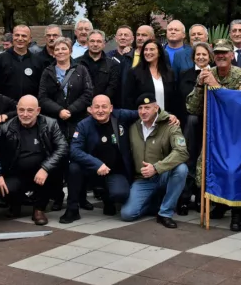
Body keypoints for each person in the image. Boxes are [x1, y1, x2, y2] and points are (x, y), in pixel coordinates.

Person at [186, 39, 241, 230]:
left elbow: (240, 105)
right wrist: (200, 86)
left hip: (237, 134)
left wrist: (215, 86)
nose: (221, 56)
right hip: (214, 133)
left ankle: (237, 213)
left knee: (234, 170)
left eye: (225, 53)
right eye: (217, 53)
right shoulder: (208, 73)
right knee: (205, 172)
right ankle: (220, 203)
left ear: (232, 55)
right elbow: (192, 108)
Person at [0, 95, 67, 226]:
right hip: (16, 172)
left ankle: (39, 209)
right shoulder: (6, 127)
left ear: (38, 111)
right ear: (17, 109)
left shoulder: (51, 124)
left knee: (55, 170)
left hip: (42, 172)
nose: (25, 114)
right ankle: (16, 204)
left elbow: (63, 147)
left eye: (30, 110)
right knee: (3, 189)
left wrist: (46, 168)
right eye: (21, 110)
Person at [38, 37, 93, 210]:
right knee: (58, 160)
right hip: (56, 122)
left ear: (70, 50)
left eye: (64, 48)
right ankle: (57, 197)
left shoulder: (81, 69)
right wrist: (59, 111)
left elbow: (88, 93)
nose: (60, 52)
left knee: (78, 158)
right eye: (57, 49)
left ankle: (81, 197)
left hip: (78, 120)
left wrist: (71, 110)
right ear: (53, 52)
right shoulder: (48, 72)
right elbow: (43, 97)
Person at [119, 94, 189, 228]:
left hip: (163, 175)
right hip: (142, 179)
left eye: (147, 107)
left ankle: (165, 213)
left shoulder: (170, 125)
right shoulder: (133, 127)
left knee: (182, 169)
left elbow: (182, 152)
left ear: (156, 108)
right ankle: (155, 203)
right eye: (140, 108)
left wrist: (156, 168)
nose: (143, 111)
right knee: (127, 214)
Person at [64, 95, 135, 223]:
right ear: (90, 109)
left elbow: (145, 112)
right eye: (96, 107)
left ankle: (108, 198)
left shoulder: (120, 116)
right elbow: (74, 150)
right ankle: (72, 209)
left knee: (120, 194)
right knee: (73, 168)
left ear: (111, 108)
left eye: (104, 107)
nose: (100, 110)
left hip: (115, 170)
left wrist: (167, 115)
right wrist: (96, 164)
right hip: (91, 170)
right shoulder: (83, 125)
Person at [177, 42, 213, 211]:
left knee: (205, 161)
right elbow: (182, 100)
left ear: (210, 56)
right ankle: (184, 197)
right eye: (197, 55)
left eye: (204, 54)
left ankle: (201, 197)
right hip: (190, 126)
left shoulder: (217, 74)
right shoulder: (185, 74)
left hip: (211, 127)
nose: (201, 57)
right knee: (189, 159)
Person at [0, 25, 46, 101]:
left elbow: (42, 88)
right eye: (17, 35)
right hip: (6, 108)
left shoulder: (38, 61)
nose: (20, 39)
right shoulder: (0, 59)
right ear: (12, 37)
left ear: (30, 39)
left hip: (30, 108)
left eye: (24, 36)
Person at [126, 39, 179, 114]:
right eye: (146, 50)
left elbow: (174, 98)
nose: (148, 52)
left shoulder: (169, 72)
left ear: (159, 52)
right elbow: (129, 99)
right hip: (143, 118)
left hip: (166, 118)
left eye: (152, 49)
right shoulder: (134, 72)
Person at [77, 30, 120, 105]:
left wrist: (98, 105)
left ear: (104, 44)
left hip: (103, 108)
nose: (95, 44)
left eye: (99, 41)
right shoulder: (76, 63)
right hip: (81, 108)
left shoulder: (113, 65)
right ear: (87, 43)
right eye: (92, 41)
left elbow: (112, 88)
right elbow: (75, 88)